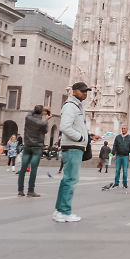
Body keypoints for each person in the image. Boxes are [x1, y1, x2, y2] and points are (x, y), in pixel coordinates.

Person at [53, 82, 90, 223]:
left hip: (75, 146)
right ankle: (65, 211)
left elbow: (76, 126)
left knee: (67, 180)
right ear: (74, 92)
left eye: (86, 91)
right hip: (73, 147)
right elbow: (65, 127)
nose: (85, 93)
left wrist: (88, 136)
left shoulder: (77, 106)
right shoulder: (70, 106)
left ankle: (59, 211)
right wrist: (80, 137)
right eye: (82, 91)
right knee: (71, 180)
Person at [19, 105, 49, 197]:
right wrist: (46, 120)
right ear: (42, 113)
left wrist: (42, 109)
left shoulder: (28, 118)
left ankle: (20, 190)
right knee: (33, 169)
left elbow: (31, 112)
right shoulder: (43, 123)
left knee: (23, 168)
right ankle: (30, 190)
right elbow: (45, 131)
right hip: (37, 147)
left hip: (27, 145)